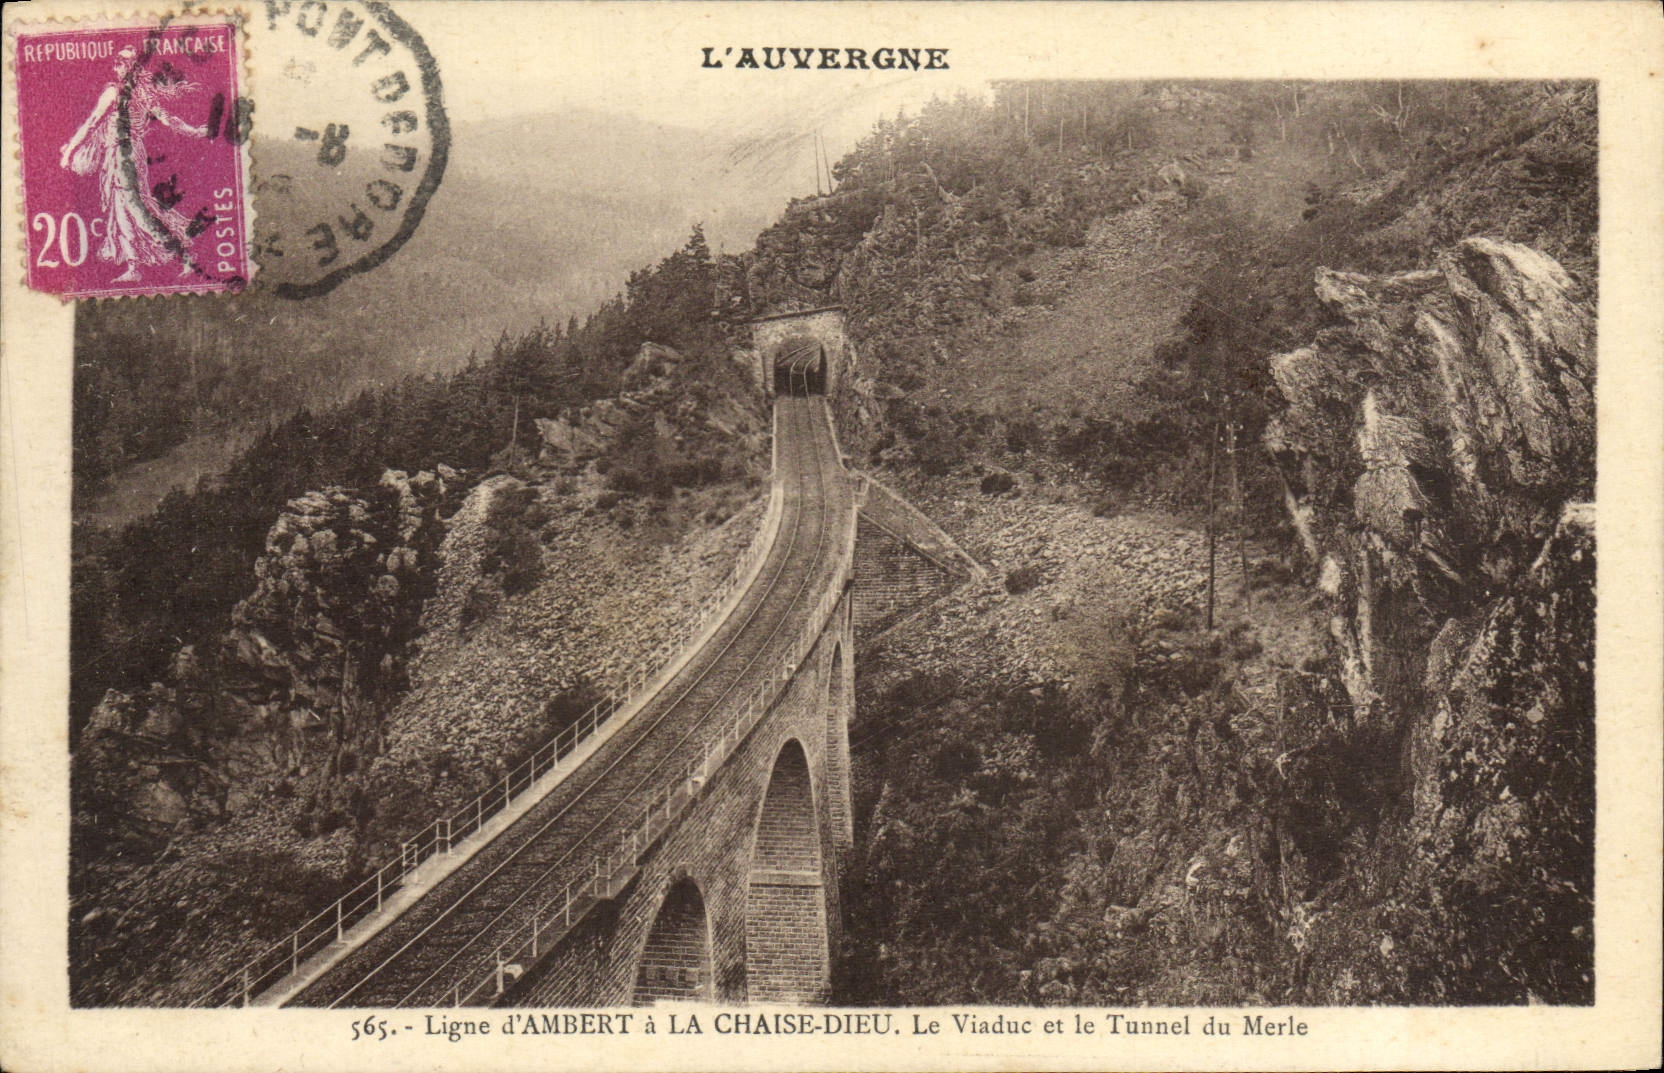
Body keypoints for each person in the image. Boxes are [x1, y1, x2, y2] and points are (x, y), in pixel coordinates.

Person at [58, 47, 208, 282]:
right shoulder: (142, 93)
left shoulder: (116, 92)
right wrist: (195, 131)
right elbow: (169, 119)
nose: (118, 66)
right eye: (118, 62)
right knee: (121, 209)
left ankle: (184, 255)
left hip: (123, 154)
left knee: (135, 207)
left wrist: (69, 152)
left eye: (123, 63)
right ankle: (133, 267)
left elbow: (91, 122)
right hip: (124, 153)